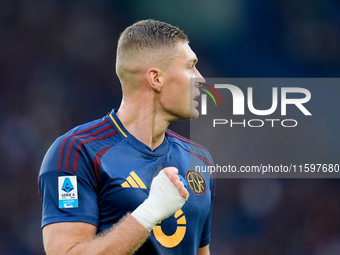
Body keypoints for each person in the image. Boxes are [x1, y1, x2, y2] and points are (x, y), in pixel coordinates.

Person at [39, 19, 215, 255]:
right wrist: (150, 211)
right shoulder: (77, 152)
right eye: (190, 66)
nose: (200, 78)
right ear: (156, 79)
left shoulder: (200, 160)